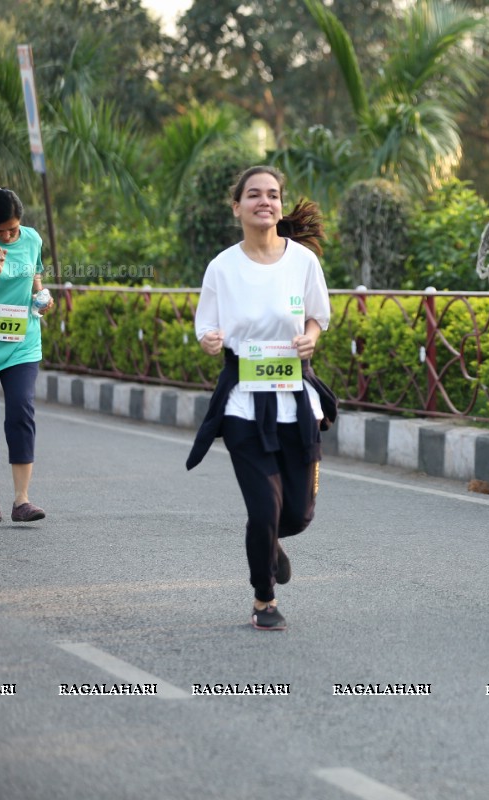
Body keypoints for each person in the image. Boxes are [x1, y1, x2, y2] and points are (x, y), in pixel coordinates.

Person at [186, 166, 337, 632]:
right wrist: (211, 341)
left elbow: (318, 317)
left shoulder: (303, 262)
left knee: (297, 513)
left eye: (272, 195)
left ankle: (273, 543)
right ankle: (264, 598)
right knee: (263, 509)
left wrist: (310, 338)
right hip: (243, 404)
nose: (264, 202)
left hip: (295, 399)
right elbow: (206, 327)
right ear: (237, 207)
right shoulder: (222, 266)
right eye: (254, 195)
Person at [0, 187, 55, 523]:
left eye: (12, 229)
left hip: (22, 341)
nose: (6, 236)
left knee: (21, 411)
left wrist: (43, 297)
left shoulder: (32, 239)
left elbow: (36, 276)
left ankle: (22, 501)